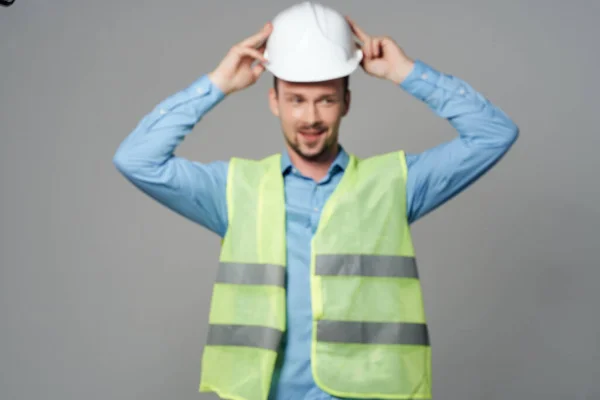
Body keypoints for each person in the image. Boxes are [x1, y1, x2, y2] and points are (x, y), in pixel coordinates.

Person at [113, 2, 519, 400]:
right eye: (296, 99)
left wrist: (405, 72)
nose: (310, 118)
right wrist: (217, 83)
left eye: (325, 99)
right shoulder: (235, 189)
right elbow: (136, 159)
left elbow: (493, 134)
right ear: (274, 101)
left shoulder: (394, 184)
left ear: (346, 102)